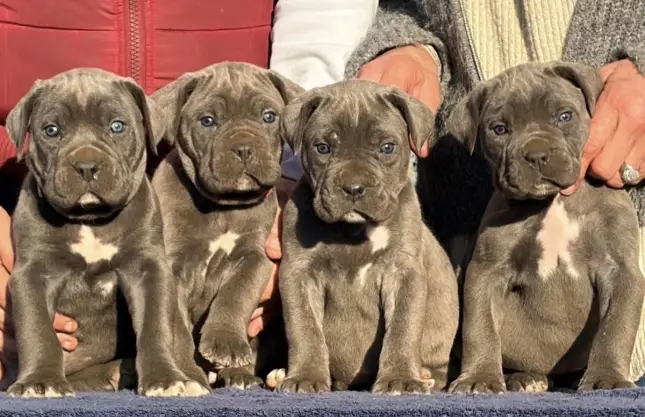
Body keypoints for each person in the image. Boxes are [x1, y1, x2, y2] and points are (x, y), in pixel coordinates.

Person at [0, 0, 376, 384]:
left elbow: (325, 31)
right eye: (209, 120)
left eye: (267, 117)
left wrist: (304, 189)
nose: (242, 144)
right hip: (19, 206)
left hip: (206, 226)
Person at [336, 0, 645, 381]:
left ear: (588, 100)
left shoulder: (607, 208)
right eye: (501, 129)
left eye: (563, 117)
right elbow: (407, 11)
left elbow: (624, 278)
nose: (536, 151)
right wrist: (413, 47)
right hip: (500, 355)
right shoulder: (500, 218)